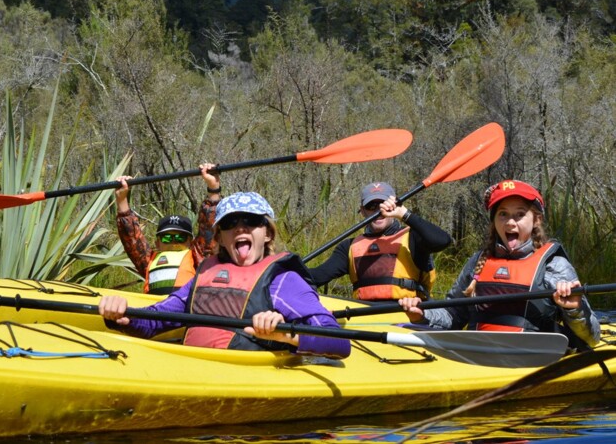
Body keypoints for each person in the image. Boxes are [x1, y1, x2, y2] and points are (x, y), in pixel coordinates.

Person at [99, 191, 351, 358]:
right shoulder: (206, 272)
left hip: (249, 382)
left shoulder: (283, 280)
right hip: (194, 370)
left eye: (251, 221)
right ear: (219, 237)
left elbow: (339, 342)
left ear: (268, 234)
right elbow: (157, 320)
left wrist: (285, 334)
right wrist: (123, 317)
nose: (240, 227)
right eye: (230, 224)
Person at [399, 179, 601, 350]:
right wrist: (422, 315)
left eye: (520, 214)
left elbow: (592, 338)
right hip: (479, 354)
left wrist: (575, 308)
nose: (510, 222)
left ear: (536, 220)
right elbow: (453, 316)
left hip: (535, 359)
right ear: (494, 221)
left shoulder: (555, 265)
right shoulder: (479, 261)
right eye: (502, 214)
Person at [308, 181, 452, 301]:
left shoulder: (413, 237)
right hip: (365, 320)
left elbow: (442, 241)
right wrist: (289, 268)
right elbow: (318, 276)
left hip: (409, 317)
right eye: (371, 207)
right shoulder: (349, 247)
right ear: (363, 211)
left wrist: (404, 214)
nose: (378, 211)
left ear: (394, 206)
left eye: (383, 205)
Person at [115, 163, 221, 294]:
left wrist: (213, 189)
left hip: (182, 312)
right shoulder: (148, 261)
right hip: (154, 312)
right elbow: (131, 239)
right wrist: (121, 199)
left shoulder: (196, 257)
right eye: (167, 237)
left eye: (180, 237)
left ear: (190, 242)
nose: (174, 241)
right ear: (157, 243)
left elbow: (208, 227)